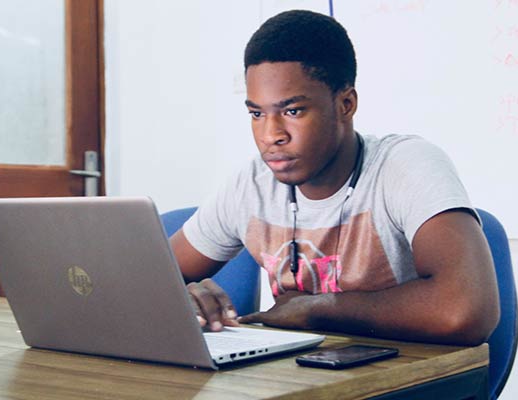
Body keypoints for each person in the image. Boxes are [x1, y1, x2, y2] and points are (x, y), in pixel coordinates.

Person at [169, 10, 499, 346]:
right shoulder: (252, 184)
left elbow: (465, 310)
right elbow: (141, 281)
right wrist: (184, 296)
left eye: (292, 111)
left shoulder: (405, 166)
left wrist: (318, 309)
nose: (271, 135)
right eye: (257, 113)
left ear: (345, 103)